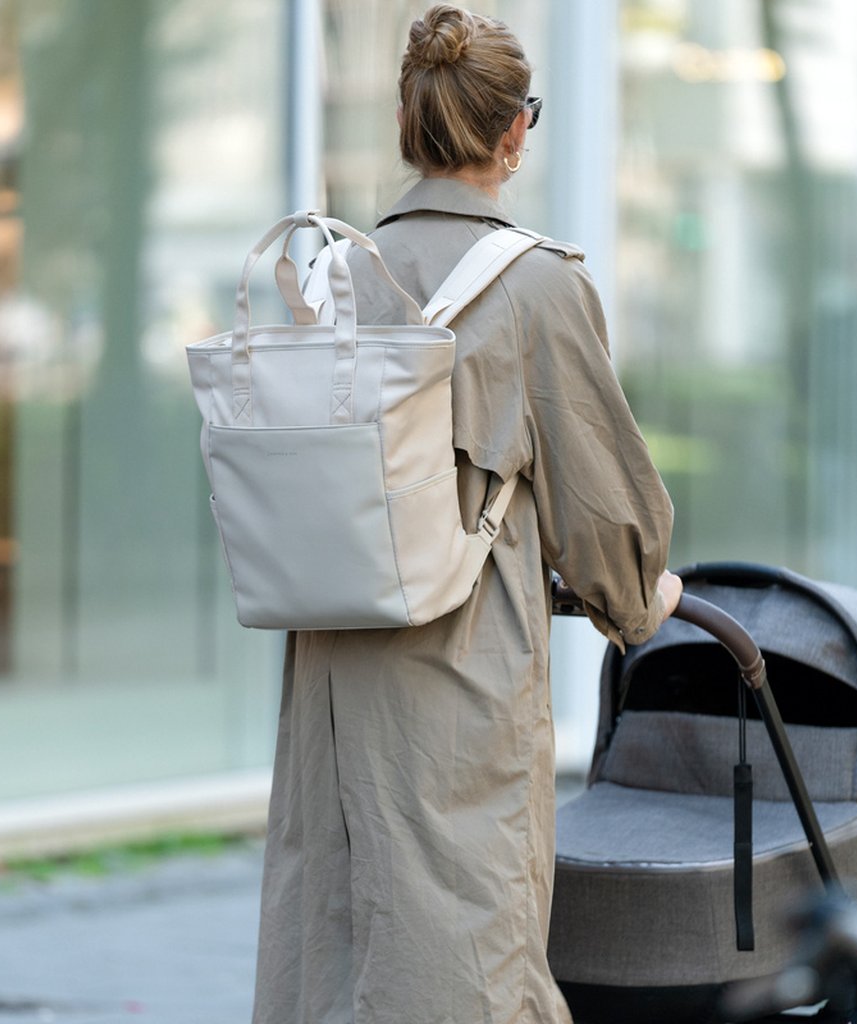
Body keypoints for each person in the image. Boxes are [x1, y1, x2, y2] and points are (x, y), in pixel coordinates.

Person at [251, 5, 682, 1023]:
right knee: (461, 947)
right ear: (512, 132)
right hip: (457, 676)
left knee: (333, 936)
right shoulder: (536, 286)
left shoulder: (335, 274)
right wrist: (640, 599)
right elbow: (608, 515)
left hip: (329, 671)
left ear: (410, 127)